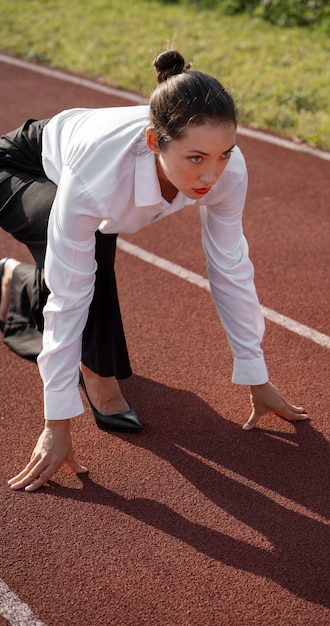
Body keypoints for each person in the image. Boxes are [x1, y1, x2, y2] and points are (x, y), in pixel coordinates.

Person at [0, 50, 308, 492]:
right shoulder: (96, 182)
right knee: (83, 254)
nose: (212, 174)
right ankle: (98, 373)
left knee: (87, 247)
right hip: (17, 165)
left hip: (86, 179)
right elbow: (70, 295)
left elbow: (230, 266)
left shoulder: (227, 171)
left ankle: (16, 282)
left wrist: (255, 373)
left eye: (224, 154)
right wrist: (58, 422)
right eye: (196, 158)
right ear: (153, 143)